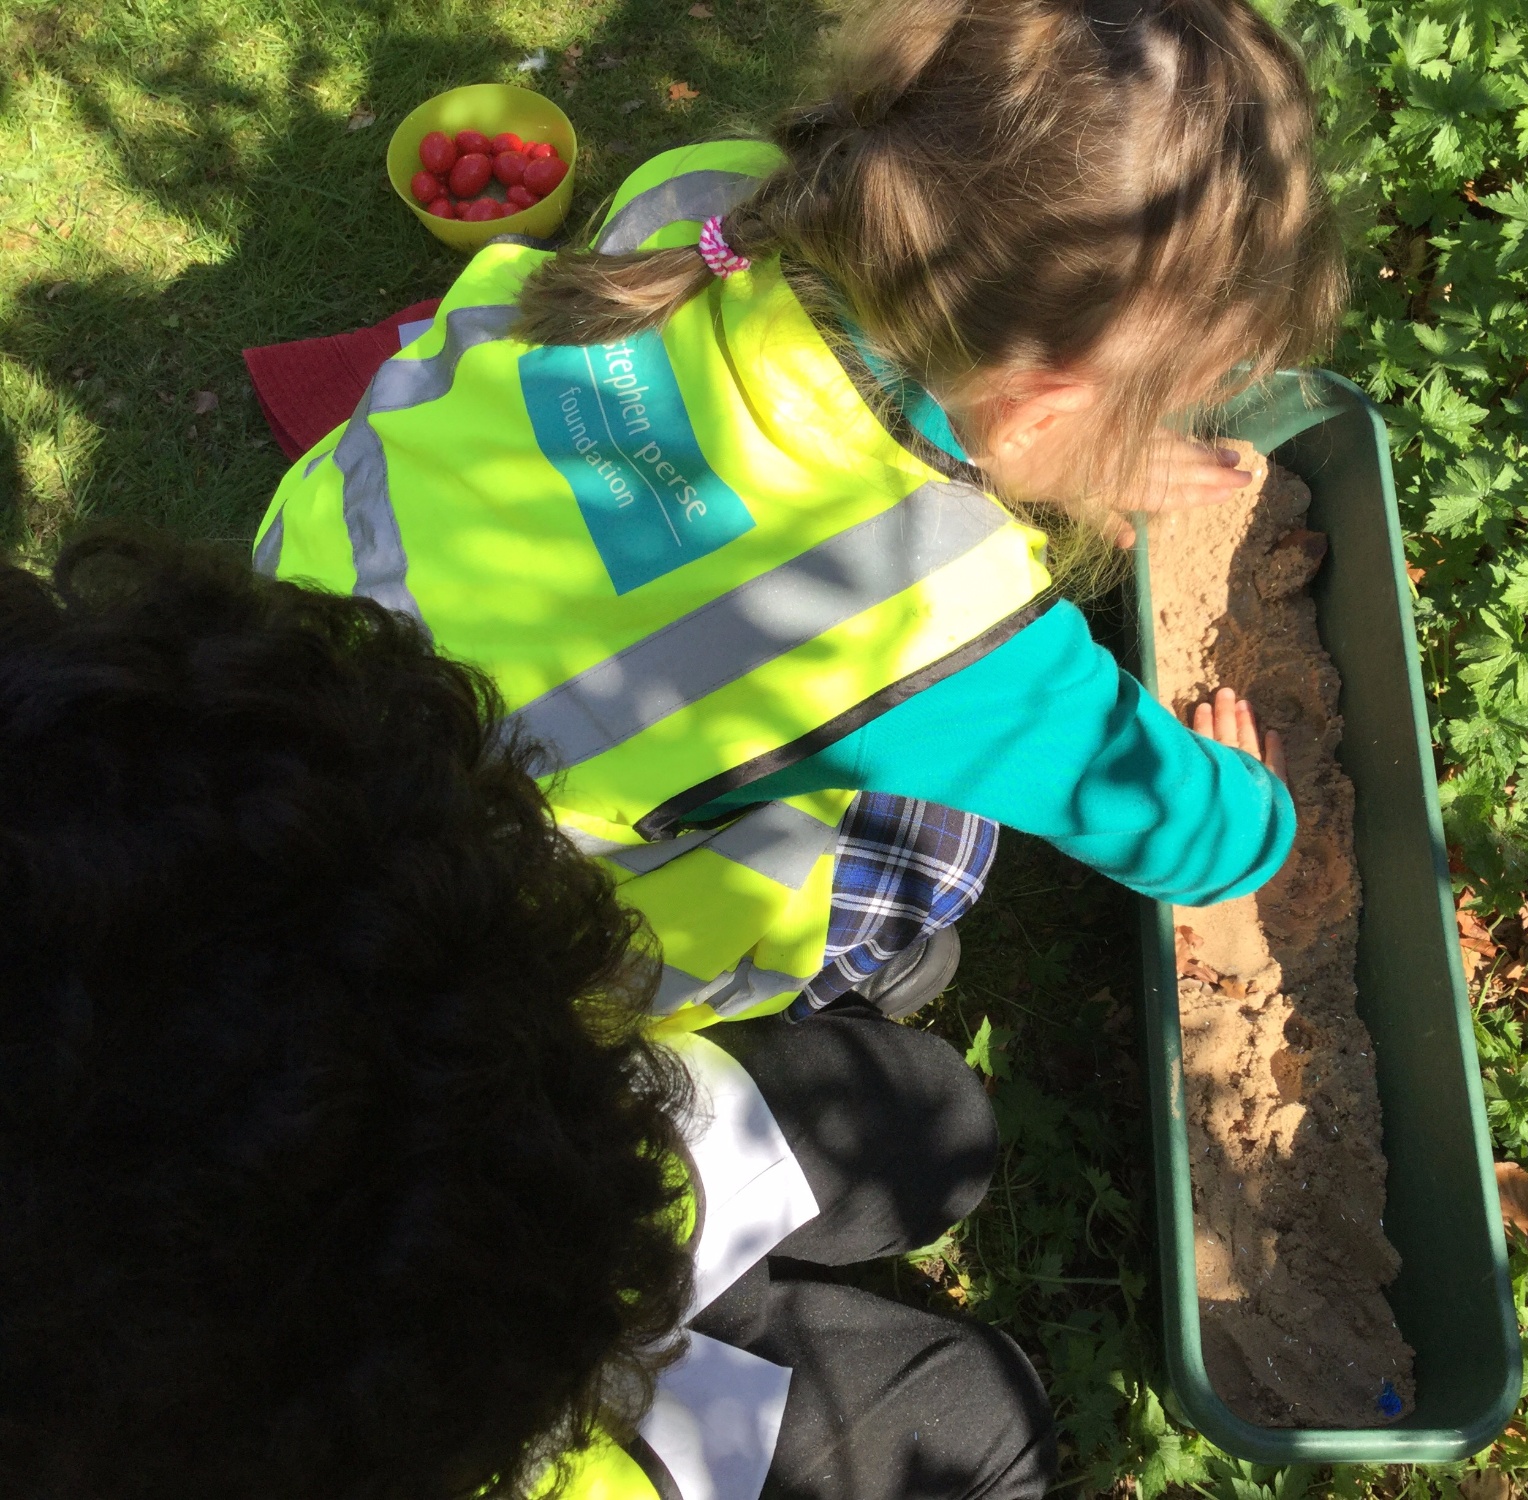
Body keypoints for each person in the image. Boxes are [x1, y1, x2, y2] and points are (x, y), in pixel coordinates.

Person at [252, 0, 1342, 1031]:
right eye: (1135, 410)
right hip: (461, 922)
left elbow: (827, 414)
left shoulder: (704, 200)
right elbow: (1181, 832)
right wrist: (1255, 814)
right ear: (1034, 408)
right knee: (944, 849)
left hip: (280, 646)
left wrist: (1063, 446)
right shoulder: (942, 620)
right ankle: (857, 971)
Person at [0, 532, 1052, 1500]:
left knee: (937, 1121)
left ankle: (699, 1285)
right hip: (543, 1423)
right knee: (983, 1414)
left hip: (512, 1265)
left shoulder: (164, 936)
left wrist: (568, 1115)